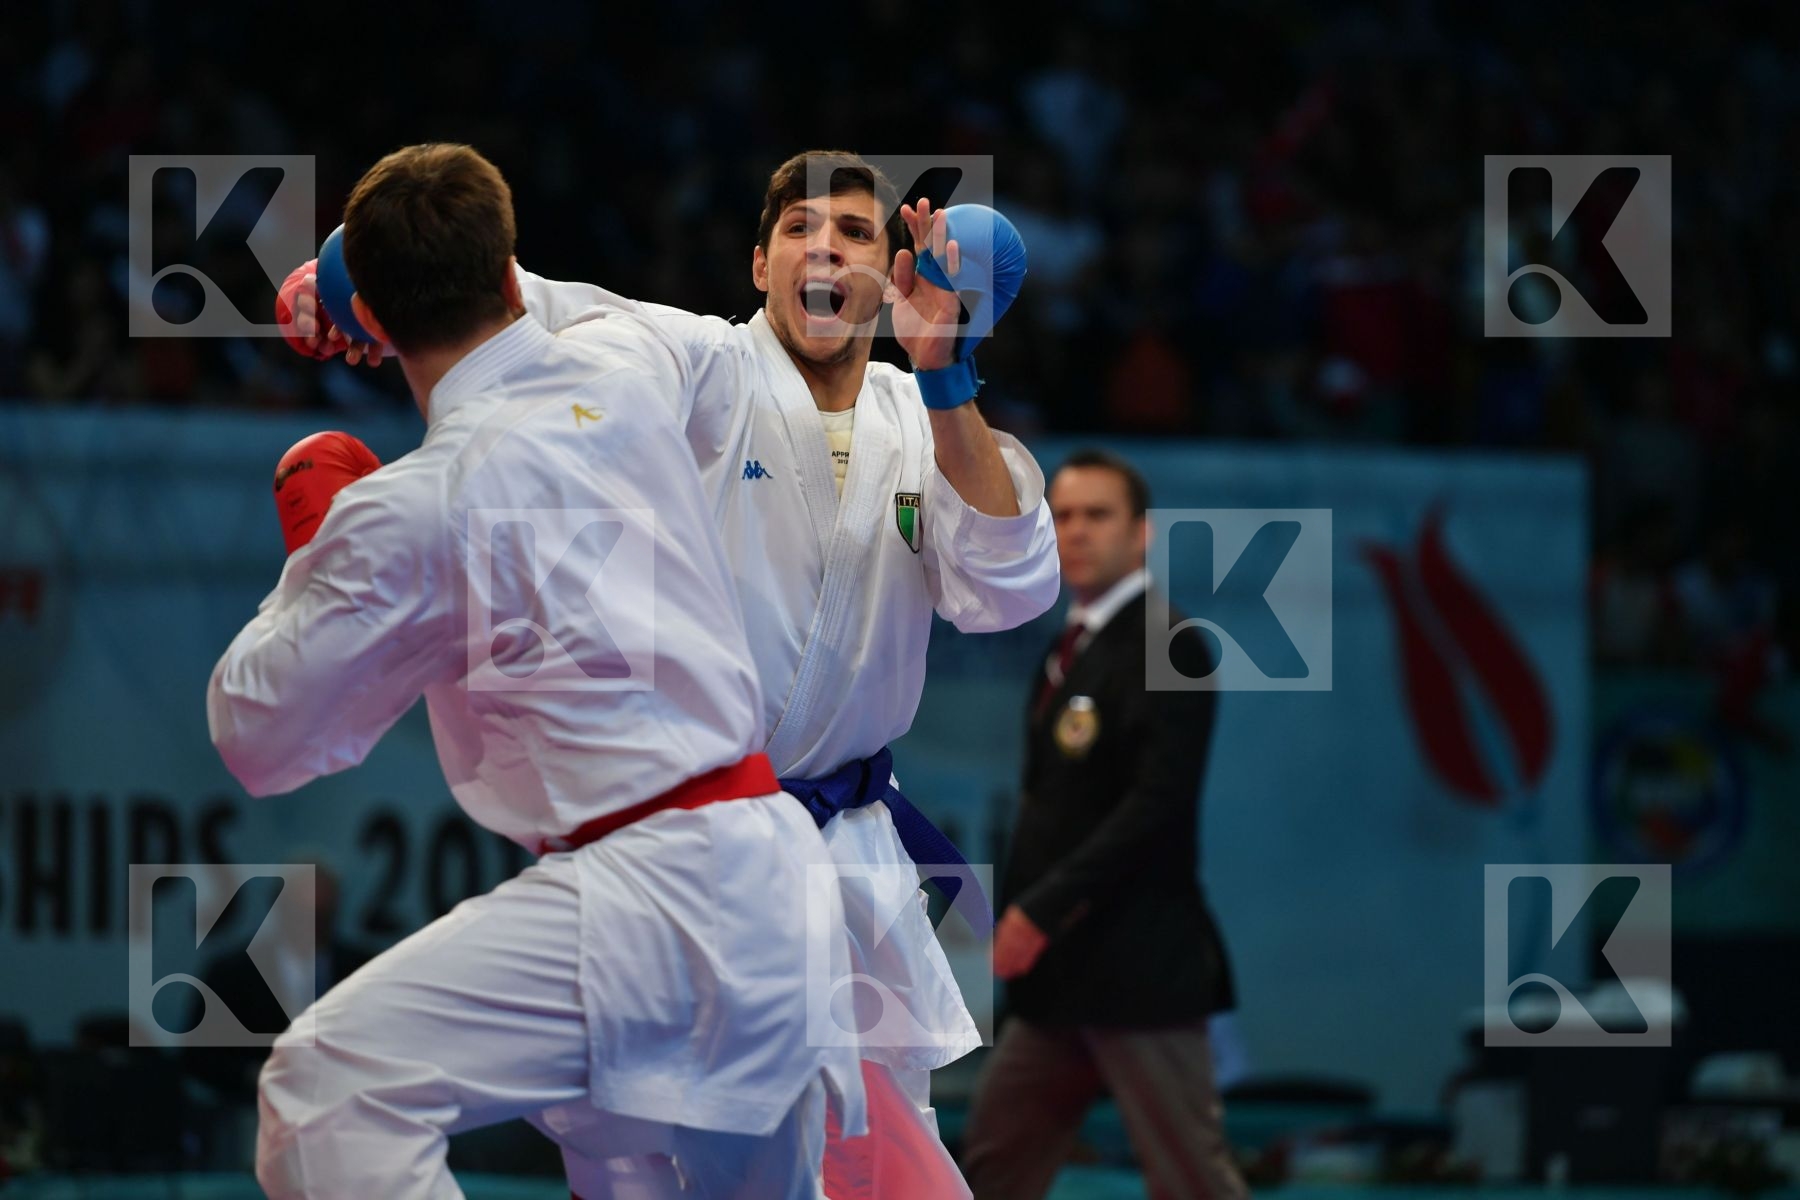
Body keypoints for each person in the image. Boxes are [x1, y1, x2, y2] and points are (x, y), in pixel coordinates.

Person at [282, 150, 1060, 1196]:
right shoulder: (696, 366)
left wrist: (948, 374)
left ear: (893, 273)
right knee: (645, 1162)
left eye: (856, 232)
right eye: (798, 230)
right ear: (758, 264)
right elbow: (550, 310)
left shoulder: (920, 415)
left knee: (871, 1162)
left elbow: (1008, 587)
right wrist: (362, 281)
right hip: (684, 854)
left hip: (849, 869)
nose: (823, 244)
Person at [210, 142, 862, 1200]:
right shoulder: (623, 361)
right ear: (512, 275)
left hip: (643, 899)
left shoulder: (410, 512)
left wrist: (311, 563)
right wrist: (367, 275)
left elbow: (261, 741)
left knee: (329, 1087)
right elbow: (631, 326)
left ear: (373, 324)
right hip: (773, 877)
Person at [962, 449, 1246, 1200]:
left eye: (1097, 515)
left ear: (1143, 533)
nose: (1075, 531)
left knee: (1192, 1180)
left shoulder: (1171, 643)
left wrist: (1039, 910)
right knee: (991, 1166)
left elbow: (1155, 811)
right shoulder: (1069, 648)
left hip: (1139, 969)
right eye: (1061, 516)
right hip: (1057, 980)